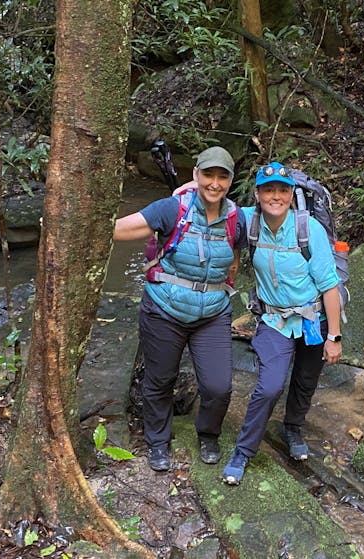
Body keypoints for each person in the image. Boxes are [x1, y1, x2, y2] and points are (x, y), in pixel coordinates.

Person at [114, 146, 247, 472]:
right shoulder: (171, 209)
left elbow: (236, 258)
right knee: (160, 379)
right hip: (164, 310)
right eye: (209, 175)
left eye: (222, 176)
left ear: (230, 180)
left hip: (212, 313)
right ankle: (157, 442)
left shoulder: (236, 218)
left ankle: (208, 434)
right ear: (196, 175)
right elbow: (119, 229)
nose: (214, 183)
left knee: (218, 386)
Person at [222, 161, 343, 485]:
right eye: (268, 189)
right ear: (258, 193)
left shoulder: (309, 230)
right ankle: (243, 452)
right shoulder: (249, 221)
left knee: (305, 380)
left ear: (291, 194)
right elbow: (215, 210)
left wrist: (334, 335)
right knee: (270, 385)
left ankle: (293, 429)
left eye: (282, 190)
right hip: (274, 319)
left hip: (312, 319)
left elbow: (330, 286)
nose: (275, 196)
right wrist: (186, 191)